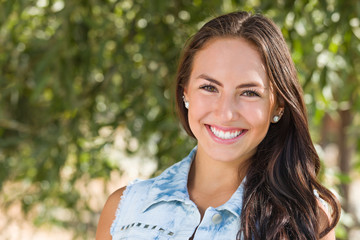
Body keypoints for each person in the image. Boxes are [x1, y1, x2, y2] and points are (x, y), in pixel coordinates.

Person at [96, 11, 340, 240]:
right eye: (209, 88)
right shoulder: (124, 210)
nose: (226, 112)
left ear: (278, 106)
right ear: (186, 93)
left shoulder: (307, 221)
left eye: (249, 93)